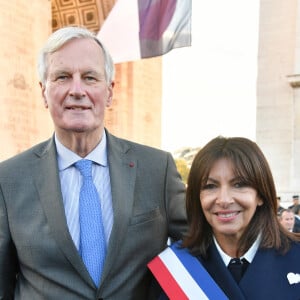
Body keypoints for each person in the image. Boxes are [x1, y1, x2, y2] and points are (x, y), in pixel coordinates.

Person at [0, 26, 187, 299]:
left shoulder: (157, 170)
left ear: (109, 92)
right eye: (63, 77)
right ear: (43, 92)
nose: (77, 90)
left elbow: (201, 252)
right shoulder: (8, 180)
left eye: (90, 78)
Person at [149, 136, 300, 299]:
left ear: (261, 195)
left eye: (239, 184)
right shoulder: (175, 270)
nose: (224, 200)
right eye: (210, 186)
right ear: (197, 197)